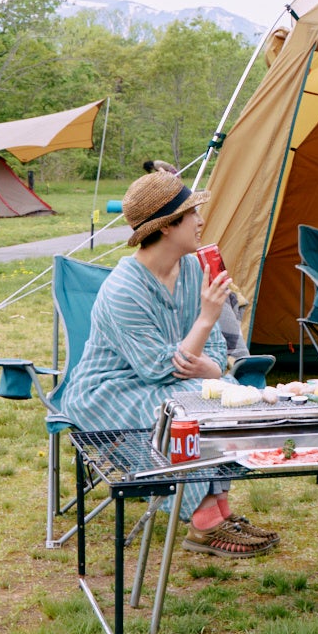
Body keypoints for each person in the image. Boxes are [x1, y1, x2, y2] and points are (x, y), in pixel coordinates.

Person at [56, 171, 280, 557]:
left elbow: (209, 357)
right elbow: (158, 369)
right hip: (108, 389)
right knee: (183, 407)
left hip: (167, 379)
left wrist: (212, 369)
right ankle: (205, 520)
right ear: (166, 227)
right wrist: (207, 318)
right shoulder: (123, 289)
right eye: (191, 213)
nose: (200, 220)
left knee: (226, 396)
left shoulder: (193, 269)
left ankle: (220, 509)